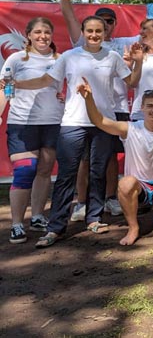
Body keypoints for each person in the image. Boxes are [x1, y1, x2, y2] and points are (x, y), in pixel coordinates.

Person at [11, 16, 143, 248]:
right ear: (82, 32)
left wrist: (139, 62)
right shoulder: (69, 57)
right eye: (90, 31)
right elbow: (45, 79)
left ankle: (94, 218)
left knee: (98, 172)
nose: (94, 35)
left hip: (104, 123)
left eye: (98, 31)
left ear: (104, 33)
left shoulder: (111, 57)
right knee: (66, 176)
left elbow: (131, 81)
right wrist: (17, 83)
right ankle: (56, 227)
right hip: (73, 123)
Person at [78, 79, 153, 245]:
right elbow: (99, 121)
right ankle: (133, 228)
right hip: (139, 185)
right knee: (126, 183)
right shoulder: (129, 128)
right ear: (142, 107)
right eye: (149, 106)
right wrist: (88, 98)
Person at [59, 0, 140, 218]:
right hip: (86, 111)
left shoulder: (121, 45)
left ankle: (111, 198)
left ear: (112, 26)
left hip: (117, 108)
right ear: (87, 30)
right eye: (98, 22)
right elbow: (69, 17)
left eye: (108, 22)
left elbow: (151, 30)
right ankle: (82, 202)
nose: (103, 26)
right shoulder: (80, 45)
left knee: (111, 157)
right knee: (85, 159)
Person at [1, 18, 63, 243]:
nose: (42, 37)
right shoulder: (16, 59)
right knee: (25, 171)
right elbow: (6, 88)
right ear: (28, 35)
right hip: (22, 123)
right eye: (37, 32)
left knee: (45, 170)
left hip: (52, 122)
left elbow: (65, 86)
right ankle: (17, 224)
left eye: (47, 32)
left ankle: (37, 216)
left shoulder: (59, 59)